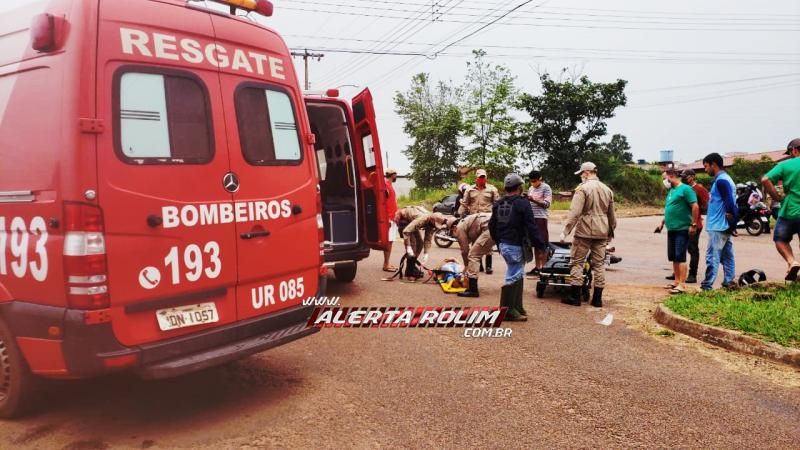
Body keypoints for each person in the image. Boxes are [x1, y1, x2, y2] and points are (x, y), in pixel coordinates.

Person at [489, 174, 547, 321]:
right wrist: (541, 245)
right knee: (514, 275)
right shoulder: (523, 203)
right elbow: (532, 226)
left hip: (504, 244)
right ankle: (507, 311)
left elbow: (492, 225)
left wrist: (498, 241)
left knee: (518, 273)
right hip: (515, 244)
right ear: (519, 187)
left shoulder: (498, 203)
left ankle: (517, 306)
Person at [560, 162, 617, 307]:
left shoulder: (582, 189)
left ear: (586, 172)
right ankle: (597, 299)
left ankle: (575, 297)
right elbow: (612, 216)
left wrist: (565, 231)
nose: (580, 176)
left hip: (584, 231)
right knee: (599, 264)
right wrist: (610, 233)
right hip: (602, 231)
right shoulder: (607, 189)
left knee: (577, 262)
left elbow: (575, 213)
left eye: (581, 173)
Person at [654, 169, 700, 294]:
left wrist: (693, 224)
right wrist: (662, 223)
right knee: (674, 256)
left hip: (682, 228)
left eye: (665, 178)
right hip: (672, 228)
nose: (664, 181)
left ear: (672, 176)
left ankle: (682, 284)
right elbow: (670, 209)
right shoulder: (671, 191)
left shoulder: (686, 189)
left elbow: (695, 206)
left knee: (680, 256)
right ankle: (676, 281)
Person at [762, 138, 800, 281]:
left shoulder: (785, 165)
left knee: (780, 239)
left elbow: (765, 180)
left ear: (794, 150)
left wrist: (775, 196)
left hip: (790, 209)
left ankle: (792, 261)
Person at [700, 153, 738, 291]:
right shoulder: (725, 179)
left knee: (712, 256)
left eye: (706, 166)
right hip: (723, 226)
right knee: (727, 256)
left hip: (718, 226)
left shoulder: (722, 181)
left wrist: (732, 222)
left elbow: (730, 203)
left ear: (713, 164)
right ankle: (729, 283)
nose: (705, 170)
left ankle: (707, 286)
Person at [459, 169, 500, 274]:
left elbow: (497, 204)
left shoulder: (492, 189)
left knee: (488, 242)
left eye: (484, 177)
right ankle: (479, 265)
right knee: (475, 242)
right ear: (476, 178)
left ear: (486, 178)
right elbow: (464, 204)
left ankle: (489, 266)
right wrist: (461, 216)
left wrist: (498, 218)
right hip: (474, 219)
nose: (482, 179)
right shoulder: (469, 190)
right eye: (480, 177)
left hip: (488, 219)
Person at [452, 213, 494, 297]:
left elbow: (465, 250)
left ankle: (473, 290)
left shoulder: (459, 227)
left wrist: (466, 267)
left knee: (473, 255)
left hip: (491, 228)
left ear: (453, 227)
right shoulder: (467, 221)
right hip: (496, 225)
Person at [679, 169, 709, 283]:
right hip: (682, 224)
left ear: (692, 177)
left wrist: (696, 212)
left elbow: (706, 204)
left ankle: (692, 274)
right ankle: (678, 272)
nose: (683, 178)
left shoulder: (699, 189)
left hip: (694, 224)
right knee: (680, 248)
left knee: (692, 249)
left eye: (685, 176)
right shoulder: (681, 188)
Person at [401, 210, 448, 279]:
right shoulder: (421, 220)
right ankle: (409, 272)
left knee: (420, 243)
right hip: (404, 220)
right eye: (434, 224)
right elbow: (406, 231)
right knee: (413, 245)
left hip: (412, 223)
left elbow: (428, 240)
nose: (434, 226)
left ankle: (412, 264)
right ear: (431, 220)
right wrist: (408, 246)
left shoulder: (431, 224)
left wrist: (426, 253)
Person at [525, 170, 552, 276]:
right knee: (535, 243)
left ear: (540, 179)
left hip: (541, 217)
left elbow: (547, 204)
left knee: (543, 243)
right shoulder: (531, 188)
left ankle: (544, 267)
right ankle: (537, 267)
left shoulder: (546, 188)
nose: (533, 182)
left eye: (534, 180)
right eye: (531, 181)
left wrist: (533, 200)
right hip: (531, 218)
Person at [383, 168, 399, 272]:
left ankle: (387, 262)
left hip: (393, 217)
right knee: (388, 241)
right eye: (395, 174)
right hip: (388, 218)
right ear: (392, 175)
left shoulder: (390, 185)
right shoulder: (385, 185)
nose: (396, 176)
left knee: (391, 241)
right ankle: (386, 264)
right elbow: (383, 202)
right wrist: (387, 218)